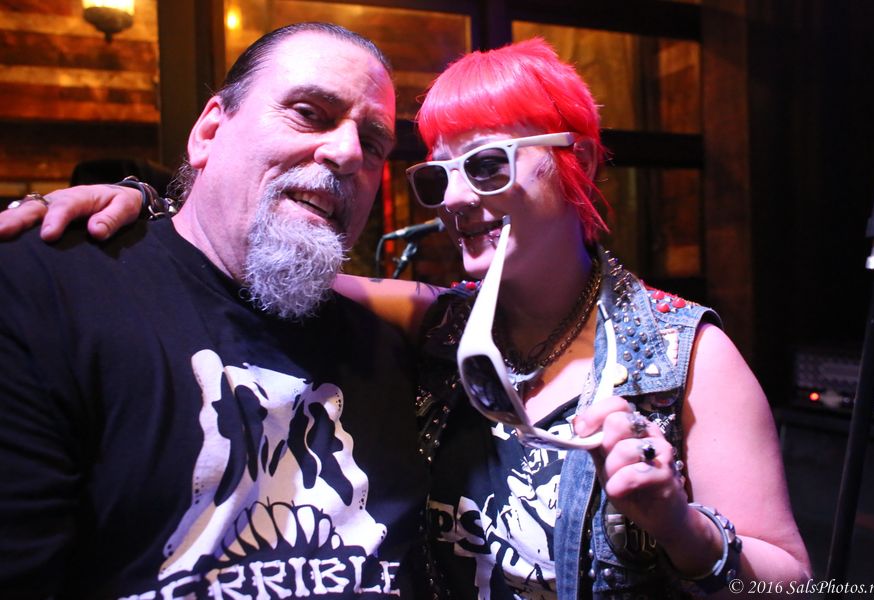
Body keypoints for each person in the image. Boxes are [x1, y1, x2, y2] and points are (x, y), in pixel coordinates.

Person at [1, 39, 812, 599]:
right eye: (436, 176)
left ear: (581, 164)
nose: (453, 199)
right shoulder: (439, 327)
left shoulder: (685, 352)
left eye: (487, 165)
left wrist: (681, 527)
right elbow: (237, 255)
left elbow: (796, 582)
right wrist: (143, 207)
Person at [0, 23, 430, 598]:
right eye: (309, 113)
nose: (349, 153)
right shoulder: (45, 296)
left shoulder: (399, 352)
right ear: (208, 132)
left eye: (374, 144)